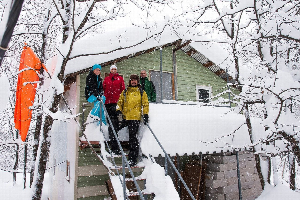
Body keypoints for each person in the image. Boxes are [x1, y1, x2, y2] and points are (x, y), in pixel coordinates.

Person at [116, 74, 149, 167]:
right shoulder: (125, 92)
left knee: (132, 138)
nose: (133, 82)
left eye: (135, 80)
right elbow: (120, 102)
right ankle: (117, 150)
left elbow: (145, 104)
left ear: (137, 82)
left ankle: (133, 158)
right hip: (126, 117)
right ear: (130, 81)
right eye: (132, 80)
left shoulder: (141, 92)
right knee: (116, 130)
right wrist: (118, 110)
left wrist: (145, 114)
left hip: (135, 118)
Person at [103, 65, 125, 154]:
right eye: (112, 69)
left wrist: (121, 102)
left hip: (116, 103)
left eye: (115, 69)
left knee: (114, 124)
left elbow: (123, 91)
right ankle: (114, 146)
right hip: (108, 103)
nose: (113, 70)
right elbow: (103, 89)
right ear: (110, 70)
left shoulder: (120, 79)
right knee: (111, 124)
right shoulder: (106, 79)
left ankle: (115, 146)